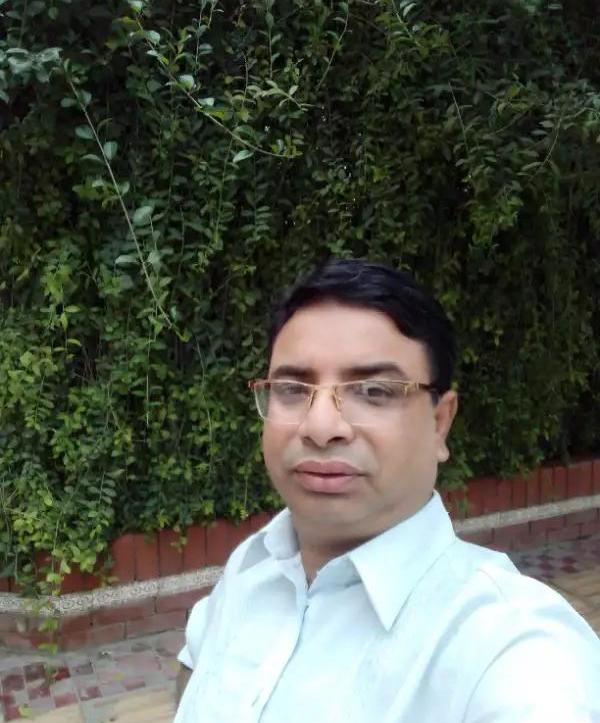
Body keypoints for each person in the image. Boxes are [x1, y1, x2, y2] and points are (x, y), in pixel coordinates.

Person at [174, 259, 600, 723]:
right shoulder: (254, 563)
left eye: (374, 391)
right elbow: (194, 668)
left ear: (440, 423)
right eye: (292, 388)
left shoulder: (508, 646)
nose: (320, 427)